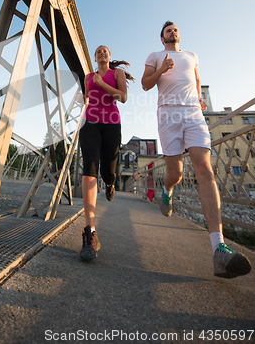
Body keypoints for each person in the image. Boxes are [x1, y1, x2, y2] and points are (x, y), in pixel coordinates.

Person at [141, 21, 251, 278]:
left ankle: (218, 250)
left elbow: (197, 80)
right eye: (168, 30)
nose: (173, 32)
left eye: (175, 29)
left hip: (193, 114)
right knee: (176, 174)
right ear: (162, 38)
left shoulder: (192, 56)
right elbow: (146, 84)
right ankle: (167, 189)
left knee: (204, 169)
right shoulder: (156, 56)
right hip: (168, 114)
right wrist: (162, 70)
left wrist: (200, 97)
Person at [79, 45, 134, 260]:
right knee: (89, 166)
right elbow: (87, 97)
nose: (102, 53)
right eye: (99, 51)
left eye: (106, 51)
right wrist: (82, 101)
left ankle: (110, 184)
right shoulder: (88, 77)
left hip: (111, 124)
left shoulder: (116, 74)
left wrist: (103, 85)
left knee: (107, 172)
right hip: (90, 123)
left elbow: (123, 97)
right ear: (95, 58)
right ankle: (90, 232)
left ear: (109, 57)